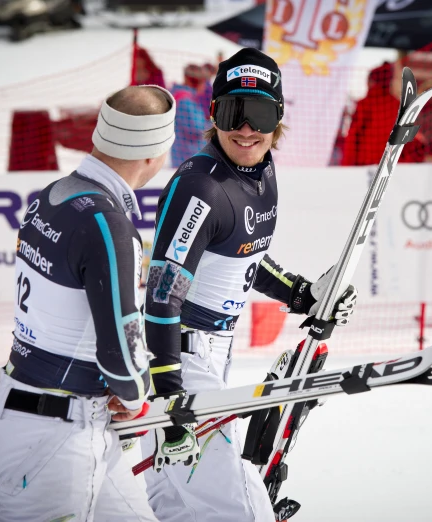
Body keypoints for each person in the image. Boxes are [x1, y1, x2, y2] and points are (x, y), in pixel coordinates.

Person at [140, 48, 358, 522]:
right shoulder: (200, 186)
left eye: (259, 114)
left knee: (180, 510)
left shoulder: (259, 172)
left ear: (278, 119)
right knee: (241, 510)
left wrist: (300, 294)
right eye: (232, 111)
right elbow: (161, 297)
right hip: (177, 360)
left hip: (209, 355)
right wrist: (170, 393)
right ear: (213, 113)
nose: (245, 129)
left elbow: (240, 255)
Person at [0, 85, 176, 522]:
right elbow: (121, 356)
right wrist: (138, 394)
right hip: (56, 438)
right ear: (154, 152)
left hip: (40, 415)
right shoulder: (107, 223)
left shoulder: (54, 194)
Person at [169, 64, 209, 166]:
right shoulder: (185, 101)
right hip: (187, 158)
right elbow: (195, 129)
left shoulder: (187, 98)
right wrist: (215, 126)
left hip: (185, 156)